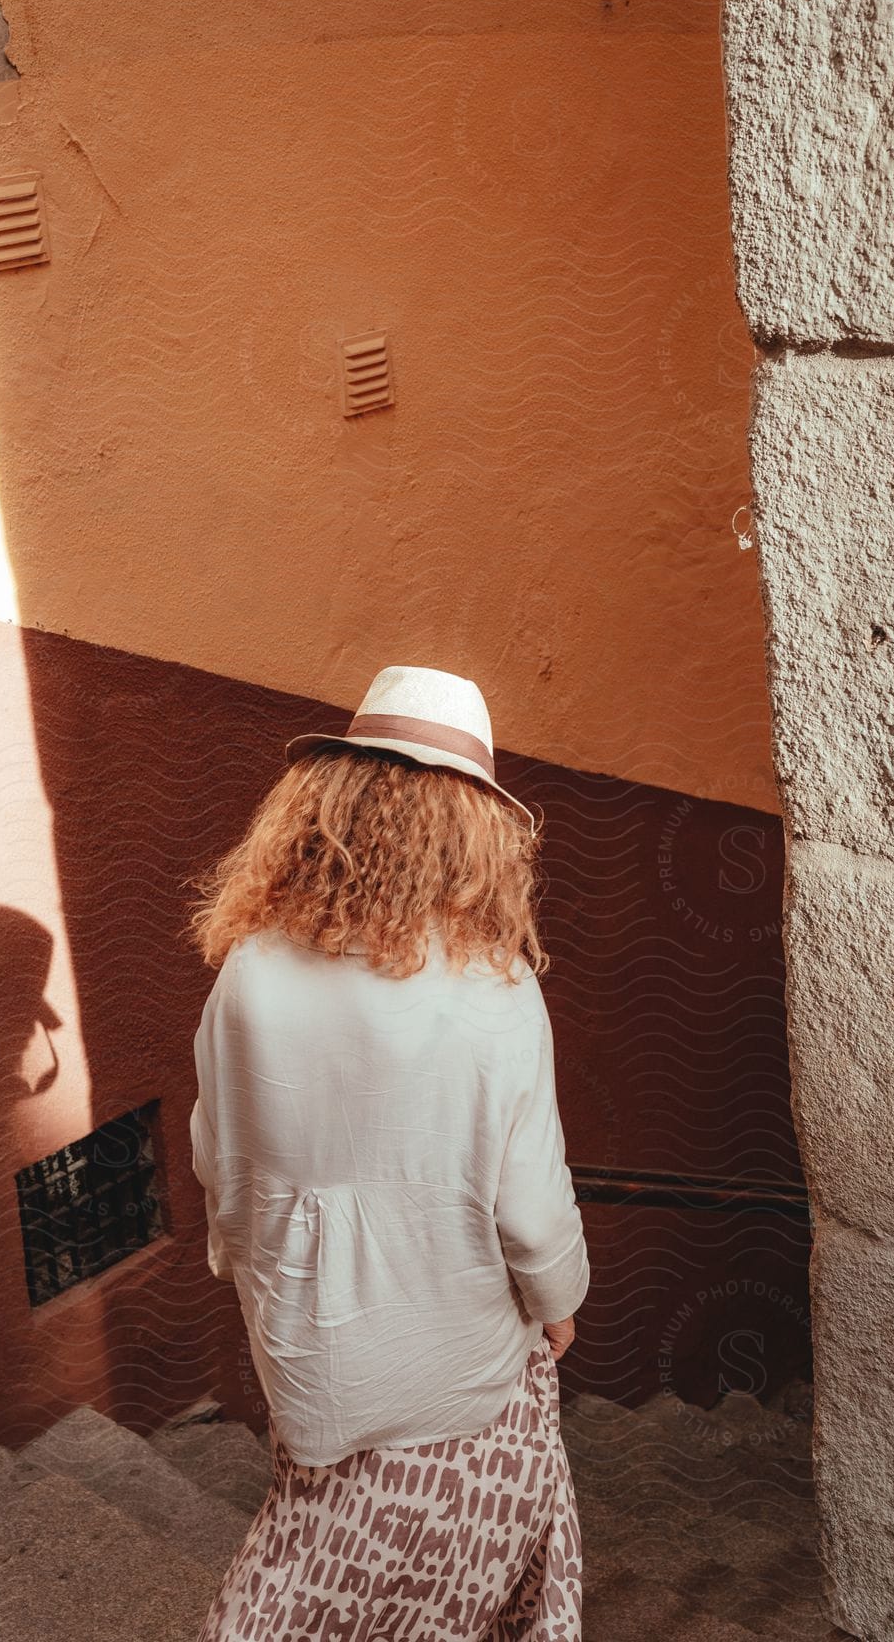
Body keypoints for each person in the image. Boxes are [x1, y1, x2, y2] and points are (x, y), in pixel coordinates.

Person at [184, 664, 589, 1640]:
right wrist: (561, 1303)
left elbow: (219, 1162)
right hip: (463, 1360)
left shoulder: (249, 971)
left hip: (315, 1346)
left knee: (315, 1559)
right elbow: (529, 1208)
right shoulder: (497, 990)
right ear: (477, 828)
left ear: (328, 803)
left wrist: (261, 1270)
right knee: (485, 1551)